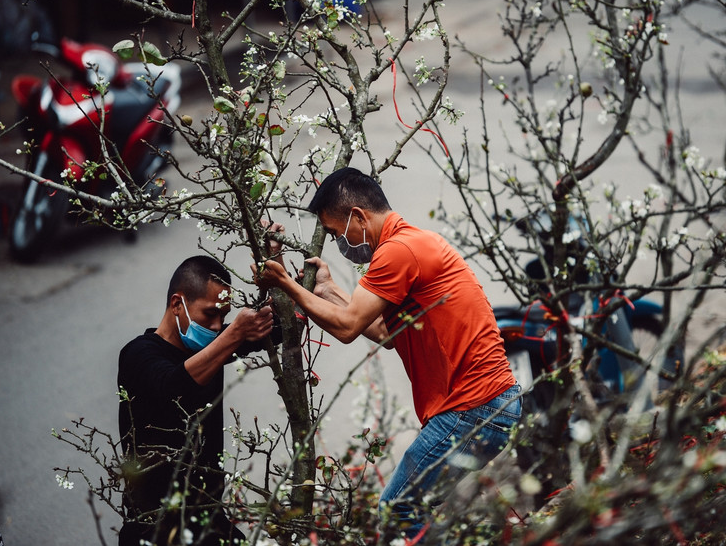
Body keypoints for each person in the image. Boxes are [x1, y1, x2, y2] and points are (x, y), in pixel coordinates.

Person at [253, 167, 520, 537]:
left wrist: (285, 283)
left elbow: (347, 328)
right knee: (420, 510)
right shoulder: (411, 244)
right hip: (489, 407)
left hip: (472, 409)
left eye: (335, 231)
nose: (338, 242)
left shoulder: (397, 251)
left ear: (359, 217)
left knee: (398, 508)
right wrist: (326, 289)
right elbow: (382, 331)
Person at [117, 255, 280, 546]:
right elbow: (175, 384)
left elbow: (282, 324)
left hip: (207, 520)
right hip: (154, 528)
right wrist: (234, 334)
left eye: (224, 316)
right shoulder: (138, 355)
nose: (218, 326)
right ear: (177, 304)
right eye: (209, 314)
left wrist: (274, 265)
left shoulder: (212, 344)